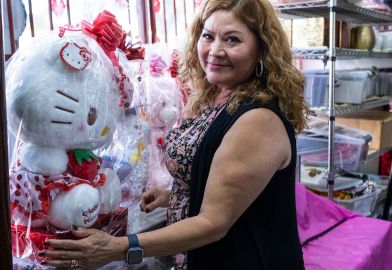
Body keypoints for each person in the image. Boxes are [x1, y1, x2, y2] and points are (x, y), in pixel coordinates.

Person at [39, 0, 309, 269]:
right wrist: (174, 196)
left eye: (232, 40)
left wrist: (120, 247)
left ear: (262, 50)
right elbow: (228, 185)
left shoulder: (258, 119)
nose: (215, 50)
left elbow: (213, 222)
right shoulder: (219, 97)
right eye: (208, 36)